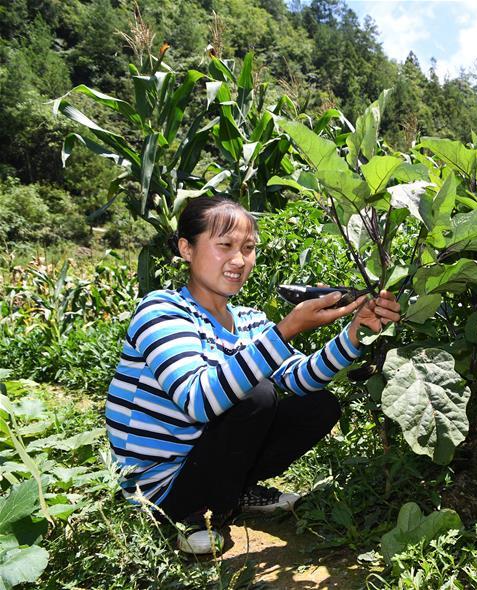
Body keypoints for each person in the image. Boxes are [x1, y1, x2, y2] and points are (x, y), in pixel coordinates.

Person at [104, 195, 401, 554]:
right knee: (256, 396)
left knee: (319, 406)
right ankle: (194, 515)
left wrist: (355, 333)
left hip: (203, 458)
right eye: (224, 246)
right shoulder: (162, 310)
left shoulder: (249, 320)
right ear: (186, 248)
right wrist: (286, 330)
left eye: (248, 248)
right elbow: (198, 400)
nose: (239, 260)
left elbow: (299, 378)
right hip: (158, 485)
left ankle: (234, 492)